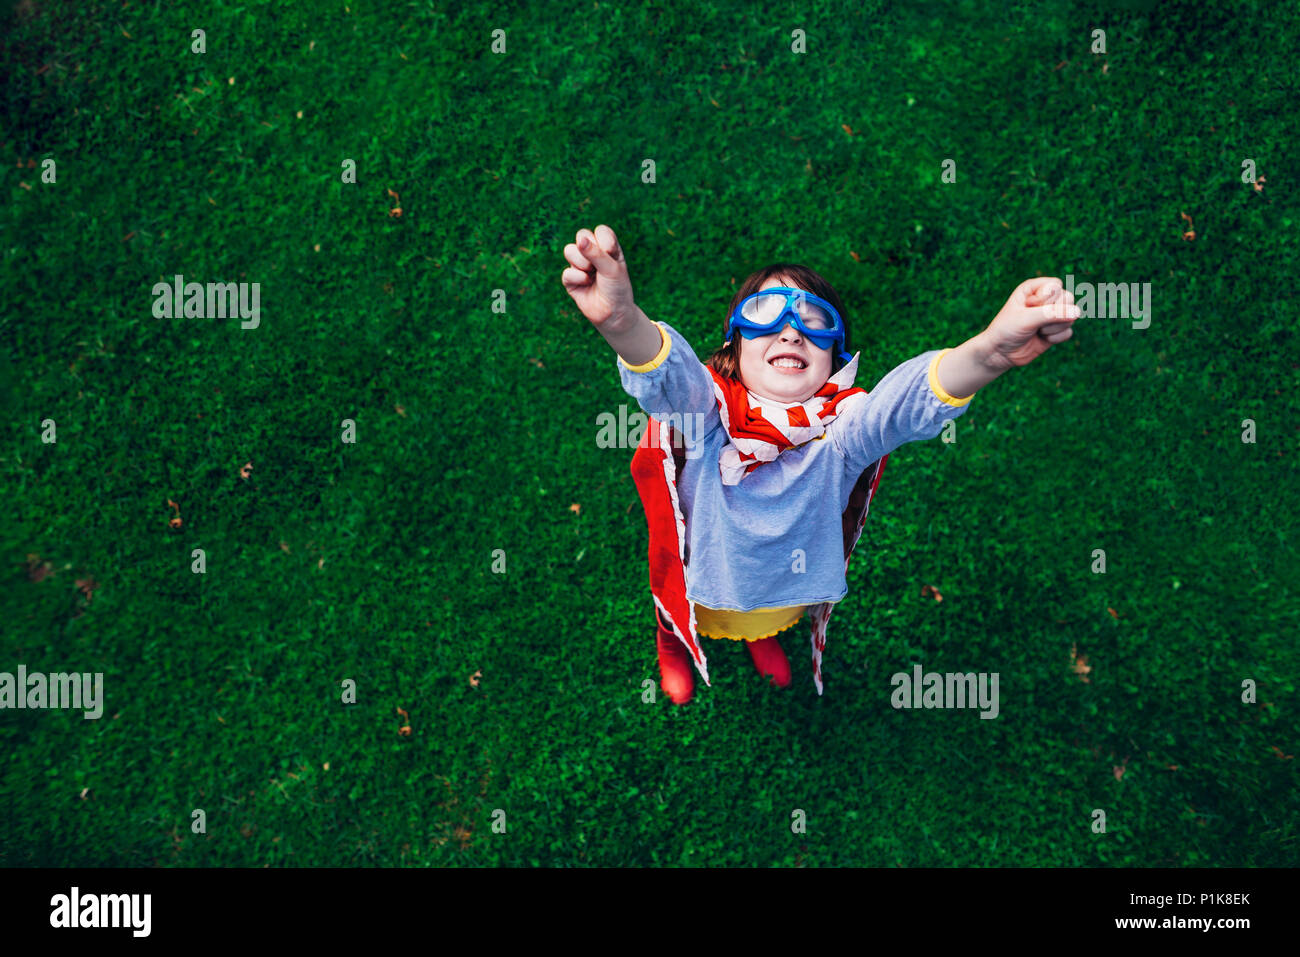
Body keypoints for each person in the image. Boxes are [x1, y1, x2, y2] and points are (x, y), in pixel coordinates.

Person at [562, 224, 1079, 705]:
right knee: (679, 612)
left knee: (768, 620)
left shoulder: (843, 435)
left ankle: (760, 639)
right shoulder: (706, 416)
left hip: (786, 585)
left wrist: (989, 353)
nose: (791, 332)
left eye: (815, 324)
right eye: (766, 314)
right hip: (702, 574)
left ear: (835, 360)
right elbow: (670, 378)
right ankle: (672, 645)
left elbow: (903, 404)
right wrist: (623, 321)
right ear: (732, 346)